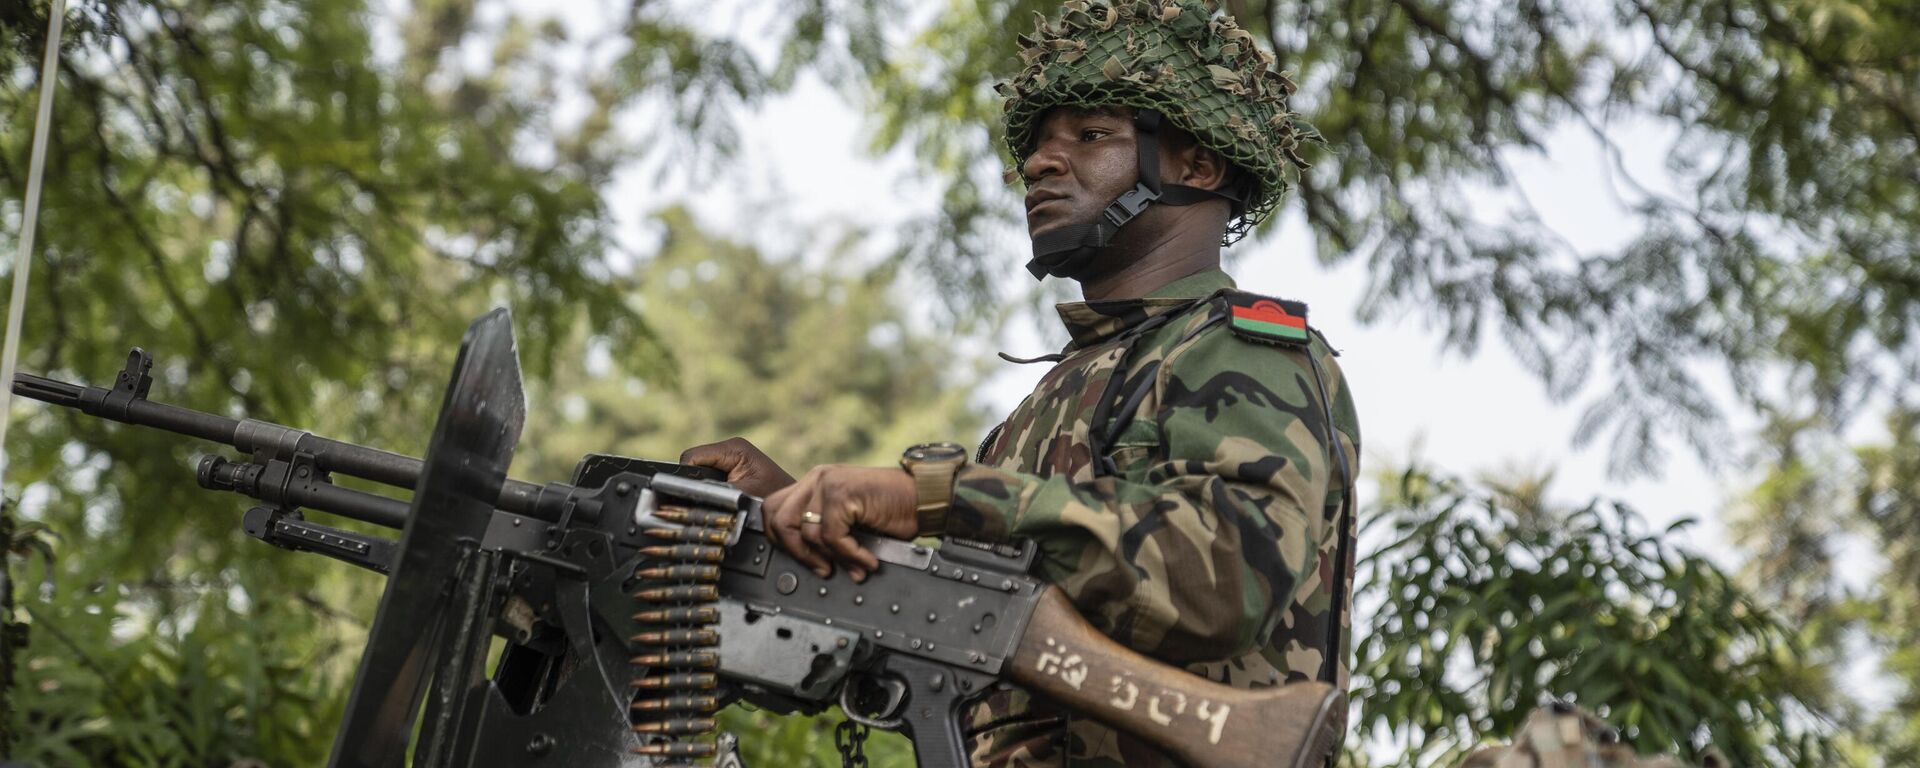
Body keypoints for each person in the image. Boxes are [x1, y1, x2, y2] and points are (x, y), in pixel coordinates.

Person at [682, 1, 1359, 765]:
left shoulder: (1241, 348)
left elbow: (1228, 576)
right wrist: (794, 518)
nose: (1040, 162)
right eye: (1037, 146)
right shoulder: (1040, 408)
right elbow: (964, 608)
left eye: (1092, 134)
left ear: (1195, 167)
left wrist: (938, 498)